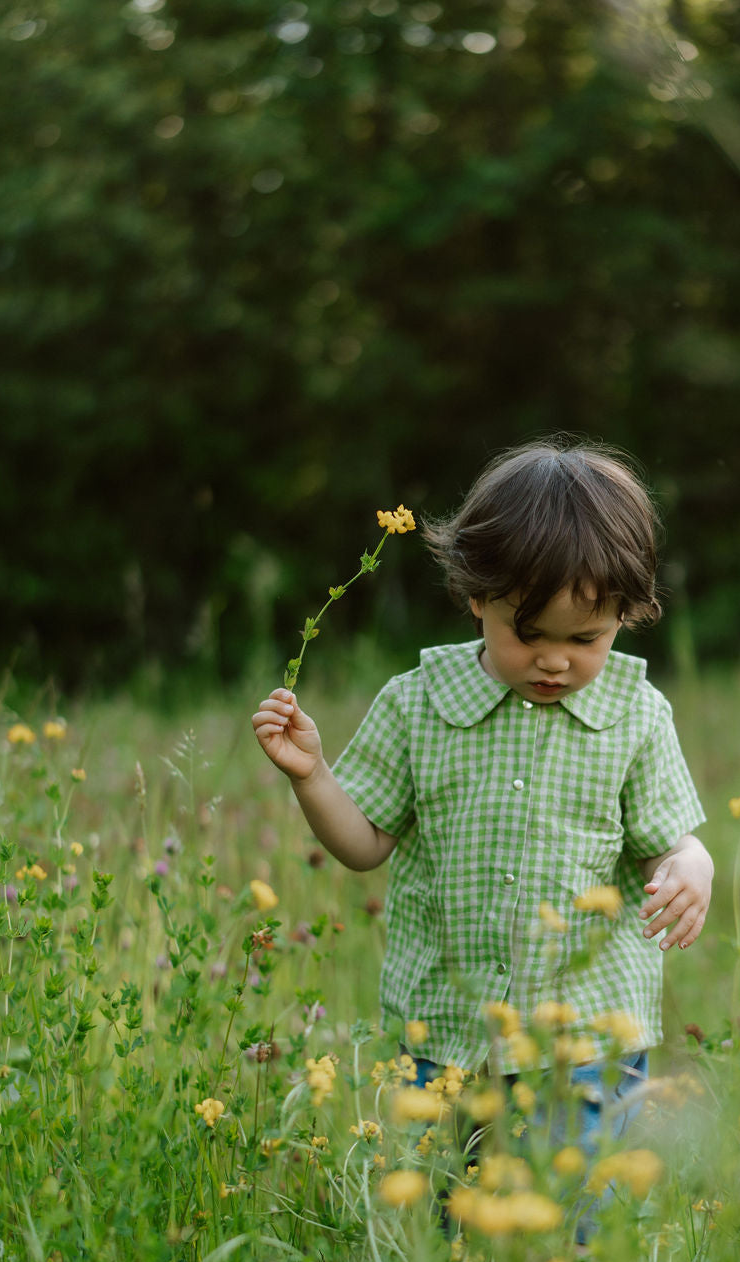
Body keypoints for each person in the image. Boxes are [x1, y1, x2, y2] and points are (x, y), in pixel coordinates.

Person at [252, 439, 712, 1213]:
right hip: (448, 1029)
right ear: (477, 597)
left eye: (585, 639)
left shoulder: (636, 714)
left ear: (625, 618)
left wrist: (691, 865)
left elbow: (674, 837)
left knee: (578, 1219)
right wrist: (313, 778)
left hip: (585, 1036)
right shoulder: (418, 702)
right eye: (528, 634)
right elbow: (364, 844)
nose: (555, 661)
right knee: (445, 1214)